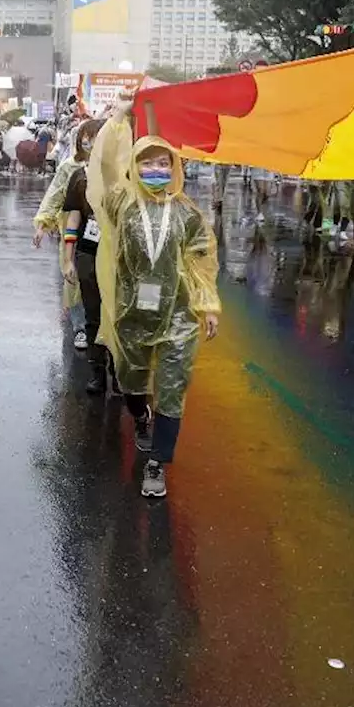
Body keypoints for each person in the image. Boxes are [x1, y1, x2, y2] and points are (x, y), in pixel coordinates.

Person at [88, 93, 221, 499]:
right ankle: (138, 414)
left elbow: (201, 260)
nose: (156, 169)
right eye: (148, 162)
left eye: (164, 163)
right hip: (133, 313)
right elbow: (108, 167)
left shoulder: (186, 212)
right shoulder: (121, 203)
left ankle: (156, 462)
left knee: (173, 387)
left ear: (174, 168)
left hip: (178, 317)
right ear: (136, 166)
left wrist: (208, 305)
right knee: (130, 381)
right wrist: (119, 119)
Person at [34, 119, 104, 349]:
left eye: (94, 136)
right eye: (85, 136)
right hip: (75, 232)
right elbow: (54, 195)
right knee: (73, 280)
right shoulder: (69, 168)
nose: (88, 141)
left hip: (106, 236)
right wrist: (43, 223)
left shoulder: (115, 168)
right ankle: (80, 327)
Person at [60, 164, 108, 394]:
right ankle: (97, 372)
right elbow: (73, 219)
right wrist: (68, 260)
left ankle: (119, 373)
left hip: (119, 254)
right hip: (88, 252)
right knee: (93, 314)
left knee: (118, 314)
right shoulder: (81, 177)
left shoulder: (129, 171)